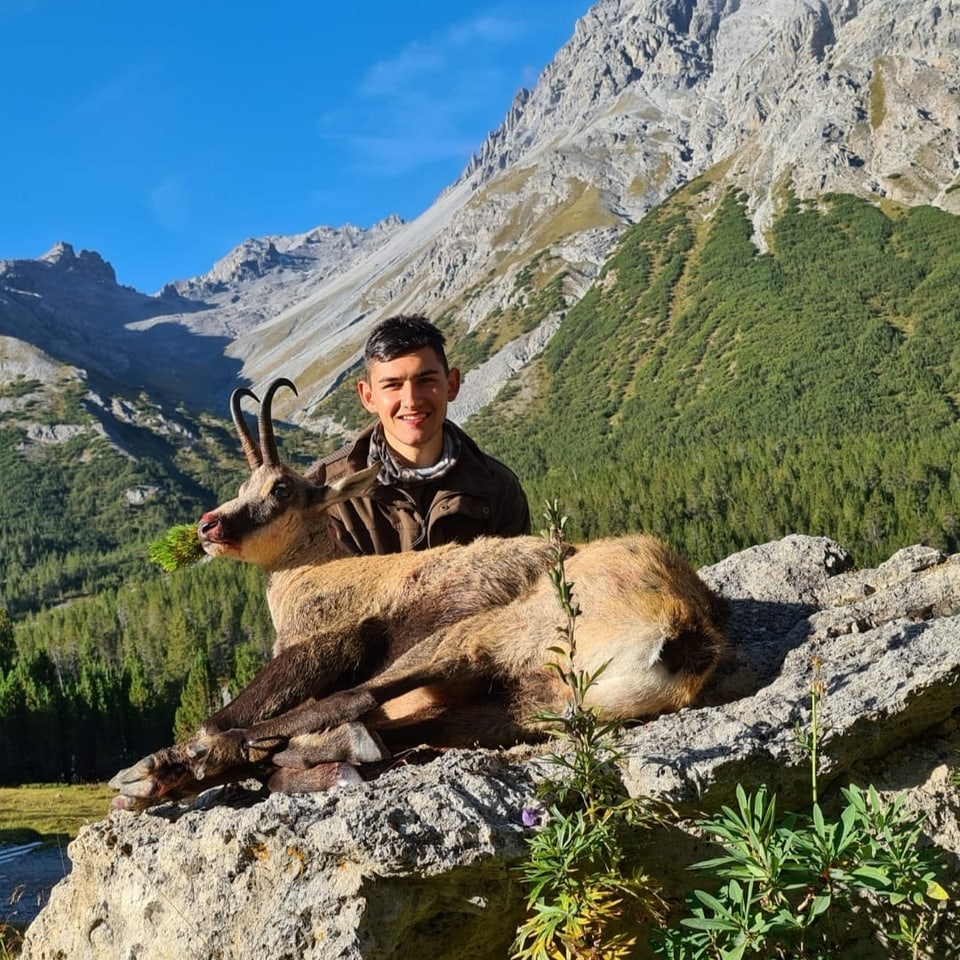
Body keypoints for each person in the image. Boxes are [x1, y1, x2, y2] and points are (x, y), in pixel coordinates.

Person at [311, 314, 531, 555]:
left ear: (452, 384)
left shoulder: (498, 490)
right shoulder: (326, 499)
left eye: (425, 380)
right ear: (368, 396)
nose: (412, 401)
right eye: (392, 385)